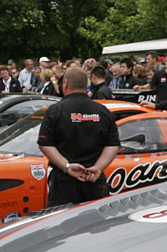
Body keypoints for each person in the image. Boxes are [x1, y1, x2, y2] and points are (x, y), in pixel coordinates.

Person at [37, 66, 120, 206]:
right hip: (94, 179)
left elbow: (44, 144)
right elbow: (113, 144)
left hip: (64, 183)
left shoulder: (55, 111)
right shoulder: (102, 111)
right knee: (96, 224)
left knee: (62, 225)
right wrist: (98, 167)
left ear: (66, 84)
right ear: (87, 84)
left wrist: (67, 167)